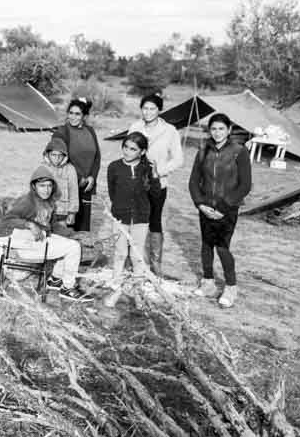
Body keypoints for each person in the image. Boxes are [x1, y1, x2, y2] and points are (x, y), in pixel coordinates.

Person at [0, 166, 93, 302]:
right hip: (26, 246)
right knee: (74, 247)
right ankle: (68, 287)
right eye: (42, 186)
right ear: (34, 186)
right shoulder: (28, 202)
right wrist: (29, 224)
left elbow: (53, 226)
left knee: (71, 242)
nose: (46, 189)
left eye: (49, 185)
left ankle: (56, 279)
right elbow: (7, 219)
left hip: (40, 241)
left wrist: (73, 234)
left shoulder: (49, 202)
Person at [188, 113, 252, 308]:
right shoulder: (203, 150)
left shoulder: (239, 151)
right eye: (214, 129)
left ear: (229, 130)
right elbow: (193, 181)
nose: (217, 133)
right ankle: (208, 283)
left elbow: (245, 185)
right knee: (206, 245)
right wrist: (200, 204)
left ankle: (231, 288)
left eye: (221, 129)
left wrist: (224, 207)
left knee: (222, 247)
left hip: (228, 208)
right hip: (206, 207)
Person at [128, 94, 183, 277]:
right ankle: (135, 261)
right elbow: (128, 151)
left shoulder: (170, 130)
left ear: (159, 110)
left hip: (158, 182)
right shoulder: (135, 127)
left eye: (152, 108)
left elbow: (178, 159)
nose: (148, 112)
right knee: (136, 220)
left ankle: (155, 264)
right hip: (137, 181)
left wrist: (160, 170)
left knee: (154, 221)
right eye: (145, 108)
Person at [106, 132, 161, 285]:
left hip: (140, 218)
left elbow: (156, 194)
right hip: (119, 217)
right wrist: (119, 208)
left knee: (137, 252)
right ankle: (116, 279)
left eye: (133, 149)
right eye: (126, 147)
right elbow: (112, 192)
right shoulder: (114, 167)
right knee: (120, 252)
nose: (127, 151)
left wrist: (155, 175)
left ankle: (137, 281)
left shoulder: (146, 169)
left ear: (142, 152)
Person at [52, 98, 101, 232]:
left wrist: (92, 177)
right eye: (71, 113)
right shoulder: (62, 132)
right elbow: (58, 158)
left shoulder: (90, 131)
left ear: (84, 116)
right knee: (66, 228)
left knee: (83, 227)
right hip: (68, 185)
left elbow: (97, 156)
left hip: (87, 186)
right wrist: (79, 178)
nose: (73, 117)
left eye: (77, 114)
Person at [41, 136, 79, 237]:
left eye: (60, 155)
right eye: (53, 155)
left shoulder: (70, 169)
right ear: (47, 154)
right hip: (45, 211)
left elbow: (74, 191)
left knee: (61, 238)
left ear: (64, 156)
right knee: (45, 238)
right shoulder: (42, 168)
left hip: (62, 213)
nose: (57, 158)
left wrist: (72, 212)